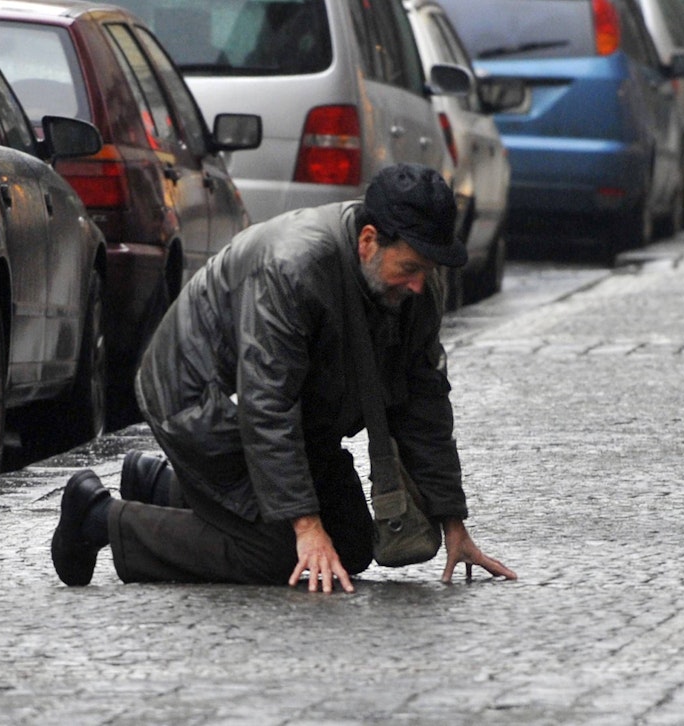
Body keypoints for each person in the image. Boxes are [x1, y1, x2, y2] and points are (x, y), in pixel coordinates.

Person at [51, 162, 517, 592]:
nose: (419, 284)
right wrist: (305, 526)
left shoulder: (415, 286)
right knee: (280, 553)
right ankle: (100, 517)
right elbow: (267, 407)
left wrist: (452, 521)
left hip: (290, 413)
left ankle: (159, 486)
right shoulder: (293, 268)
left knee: (351, 544)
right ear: (368, 241)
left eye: (428, 270)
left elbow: (424, 399)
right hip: (197, 400)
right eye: (410, 268)